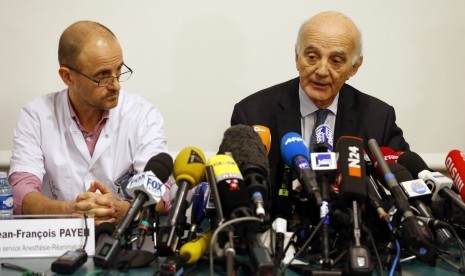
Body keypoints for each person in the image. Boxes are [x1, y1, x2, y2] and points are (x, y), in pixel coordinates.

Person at [229, 11, 410, 218]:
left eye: (336, 60)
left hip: (350, 239)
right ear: (297, 57)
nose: (322, 70)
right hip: (276, 235)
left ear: (354, 67)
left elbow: (401, 191)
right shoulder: (253, 113)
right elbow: (230, 190)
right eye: (312, 57)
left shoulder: (378, 118)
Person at [9, 21, 170, 225]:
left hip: (126, 245)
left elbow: (163, 194)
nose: (116, 85)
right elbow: (21, 193)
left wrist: (121, 210)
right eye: (102, 76)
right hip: (56, 242)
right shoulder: (36, 115)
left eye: (119, 71)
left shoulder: (142, 115)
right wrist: (73, 211)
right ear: (67, 77)